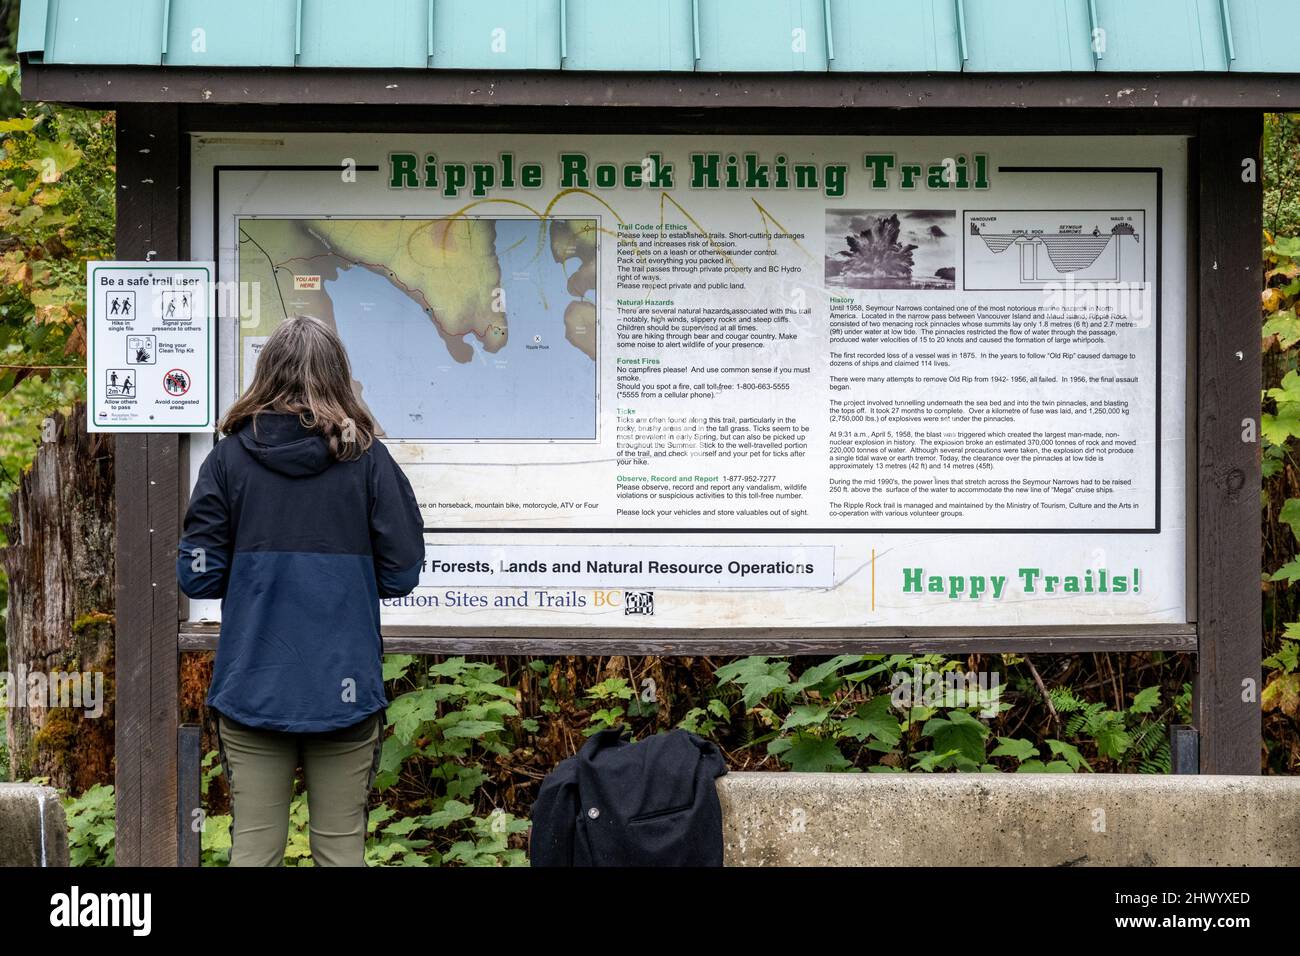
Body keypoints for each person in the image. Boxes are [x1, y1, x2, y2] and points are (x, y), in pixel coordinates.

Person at [176, 315, 425, 866]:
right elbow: (402, 573)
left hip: (252, 684)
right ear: (338, 375)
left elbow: (198, 574)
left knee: (254, 851)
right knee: (340, 854)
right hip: (346, 687)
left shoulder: (226, 462)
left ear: (266, 374)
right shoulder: (370, 463)